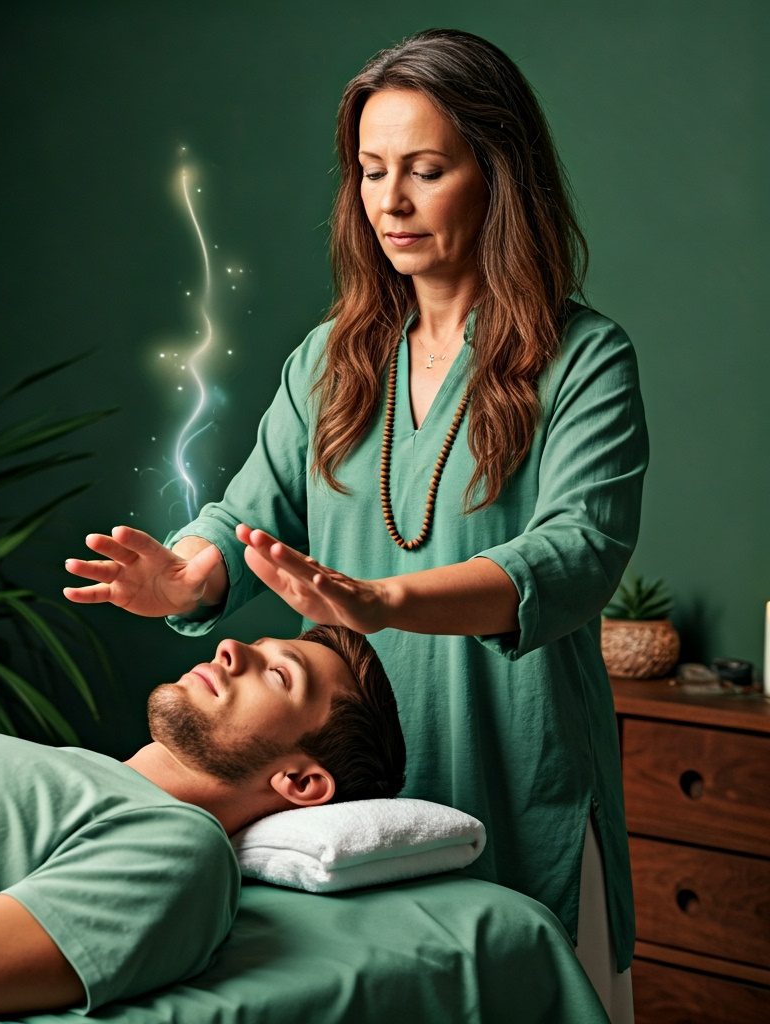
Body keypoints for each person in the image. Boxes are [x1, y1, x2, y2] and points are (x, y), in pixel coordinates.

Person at [64, 27, 647, 1024]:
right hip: (355, 798)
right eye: (373, 170)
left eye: (426, 168)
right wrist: (190, 576)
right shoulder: (332, 355)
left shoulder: (582, 360)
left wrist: (386, 602)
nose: (391, 200)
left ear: (498, 176)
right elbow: (250, 511)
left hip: (519, 767)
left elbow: (575, 554)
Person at [0, 624, 406, 1023]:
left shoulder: (179, 848)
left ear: (299, 782)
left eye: (278, 674)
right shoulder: (76, 772)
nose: (231, 648)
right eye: (255, 647)